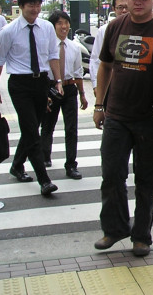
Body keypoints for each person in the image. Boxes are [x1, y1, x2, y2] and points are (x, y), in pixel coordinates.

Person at [93, 0, 153, 257]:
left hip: (152, 117)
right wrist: (99, 104)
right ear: (127, 0)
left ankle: (142, 236)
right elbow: (106, 66)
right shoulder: (115, 26)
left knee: (146, 180)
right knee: (111, 175)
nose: (139, 2)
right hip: (117, 115)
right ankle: (115, 228)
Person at [0, 0, 61, 197]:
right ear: (21, 6)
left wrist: (57, 81)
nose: (35, 9)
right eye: (31, 5)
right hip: (20, 85)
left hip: (41, 82)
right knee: (31, 131)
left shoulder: (47, 28)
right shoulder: (9, 31)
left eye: (38, 4)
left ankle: (17, 165)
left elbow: (53, 55)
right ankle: (44, 180)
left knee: (32, 128)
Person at [40, 11, 88, 179]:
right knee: (48, 125)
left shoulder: (74, 47)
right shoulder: (46, 46)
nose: (64, 26)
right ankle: (45, 156)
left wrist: (82, 94)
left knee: (71, 128)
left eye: (66, 23)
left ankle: (71, 164)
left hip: (69, 89)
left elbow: (78, 72)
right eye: (60, 23)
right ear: (52, 26)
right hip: (51, 89)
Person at [90, 0, 129, 100]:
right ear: (114, 9)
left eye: (126, 7)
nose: (124, 10)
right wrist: (96, 85)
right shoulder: (105, 30)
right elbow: (96, 59)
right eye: (120, 7)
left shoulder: (139, 29)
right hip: (110, 83)